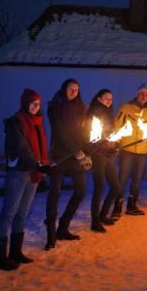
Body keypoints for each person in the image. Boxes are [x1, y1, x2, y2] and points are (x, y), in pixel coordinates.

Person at [0, 88, 49, 271]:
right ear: (25, 104)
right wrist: (37, 165)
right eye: (32, 103)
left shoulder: (38, 122)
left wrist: (43, 164)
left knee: (22, 213)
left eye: (38, 104)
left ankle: (15, 252)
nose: (35, 106)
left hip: (33, 172)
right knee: (9, 212)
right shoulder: (16, 122)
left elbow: (41, 147)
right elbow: (21, 147)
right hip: (19, 172)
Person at [112, 83, 147, 217]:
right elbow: (117, 126)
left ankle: (132, 205)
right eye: (142, 93)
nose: (144, 96)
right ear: (137, 94)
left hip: (142, 152)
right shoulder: (126, 108)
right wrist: (116, 143)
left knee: (137, 179)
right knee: (122, 178)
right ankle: (117, 205)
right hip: (127, 149)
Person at [45, 78, 89, 250]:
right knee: (54, 195)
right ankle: (50, 235)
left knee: (80, 191)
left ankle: (63, 227)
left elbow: (84, 131)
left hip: (76, 156)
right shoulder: (55, 106)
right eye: (71, 89)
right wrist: (76, 150)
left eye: (77, 89)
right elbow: (60, 130)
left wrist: (87, 148)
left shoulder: (81, 108)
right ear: (64, 89)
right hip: (59, 155)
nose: (73, 92)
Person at [88, 89, 122, 232]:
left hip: (108, 155)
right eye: (106, 98)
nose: (109, 101)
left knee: (115, 187)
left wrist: (115, 145)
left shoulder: (109, 114)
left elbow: (111, 135)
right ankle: (95, 221)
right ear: (99, 99)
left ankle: (103, 214)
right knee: (99, 187)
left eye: (111, 99)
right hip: (98, 155)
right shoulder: (94, 114)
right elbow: (92, 136)